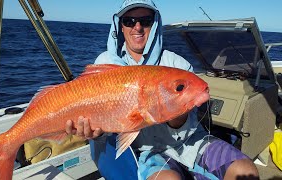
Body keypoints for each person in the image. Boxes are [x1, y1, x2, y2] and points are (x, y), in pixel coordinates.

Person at [66, 0, 259, 179]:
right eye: (129, 20)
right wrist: (96, 134)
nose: (138, 27)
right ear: (120, 26)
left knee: (245, 171)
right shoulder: (105, 63)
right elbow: (111, 125)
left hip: (193, 142)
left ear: (155, 23)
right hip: (150, 151)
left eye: (145, 20)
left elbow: (193, 122)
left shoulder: (177, 64)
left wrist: (177, 115)